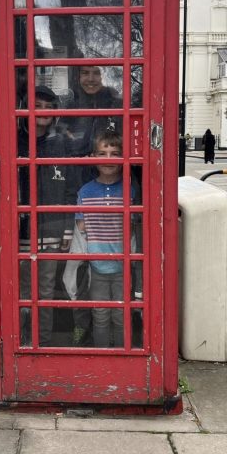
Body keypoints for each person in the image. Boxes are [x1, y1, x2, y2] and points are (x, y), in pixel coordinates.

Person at [18, 85, 76, 347]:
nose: (42, 112)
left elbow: (69, 188)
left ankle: (42, 344)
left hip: (52, 229)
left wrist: (66, 229)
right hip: (20, 231)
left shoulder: (61, 143)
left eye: (48, 107)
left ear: (55, 113)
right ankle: (21, 342)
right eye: (36, 105)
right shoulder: (13, 139)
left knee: (44, 293)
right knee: (21, 293)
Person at [76, 130, 135, 348]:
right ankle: (103, 355)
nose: (108, 159)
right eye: (102, 153)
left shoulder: (131, 189)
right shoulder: (85, 191)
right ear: (93, 157)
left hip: (124, 264)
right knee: (99, 315)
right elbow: (81, 228)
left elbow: (136, 226)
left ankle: (122, 354)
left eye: (115, 153)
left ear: (123, 158)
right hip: (96, 265)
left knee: (121, 315)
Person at [64, 65, 122, 158]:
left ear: (103, 76)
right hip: (79, 163)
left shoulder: (116, 103)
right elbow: (61, 130)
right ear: (78, 76)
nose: (91, 79)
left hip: (108, 162)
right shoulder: (72, 104)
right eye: (85, 73)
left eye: (97, 73)